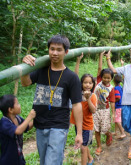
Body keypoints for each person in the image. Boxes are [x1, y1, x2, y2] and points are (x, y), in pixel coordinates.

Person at [20, 35, 83, 165]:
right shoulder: (41, 70)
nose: (54, 53)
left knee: (52, 162)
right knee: (44, 161)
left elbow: (77, 105)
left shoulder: (71, 77)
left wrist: (79, 133)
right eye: (52, 49)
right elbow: (26, 83)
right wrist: (25, 67)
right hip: (40, 125)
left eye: (59, 50)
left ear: (66, 52)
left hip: (59, 126)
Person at [70, 53, 97, 165]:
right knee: (83, 145)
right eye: (85, 82)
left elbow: (93, 110)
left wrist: (88, 99)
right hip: (78, 124)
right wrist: (78, 61)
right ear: (81, 84)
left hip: (87, 125)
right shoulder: (77, 93)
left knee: (82, 148)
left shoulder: (93, 96)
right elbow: (75, 77)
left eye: (90, 83)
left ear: (93, 84)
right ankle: (90, 159)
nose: (87, 85)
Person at [0, 94, 36, 165]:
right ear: (10, 110)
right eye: (17, 104)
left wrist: (36, 119)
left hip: (19, 158)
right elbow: (18, 131)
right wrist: (29, 117)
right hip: (8, 161)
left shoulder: (18, 118)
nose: (20, 106)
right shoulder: (4, 123)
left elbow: (27, 126)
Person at [93, 50, 115, 155]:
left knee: (105, 129)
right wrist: (101, 55)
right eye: (104, 77)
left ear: (111, 78)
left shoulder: (111, 88)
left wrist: (114, 113)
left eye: (108, 78)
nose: (106, 79)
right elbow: (99, 69)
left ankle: (108, 134)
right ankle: (99, 147)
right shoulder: (98, 82)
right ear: (101, 77)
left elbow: (112, 101)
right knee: (96, 129)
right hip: (95, 109)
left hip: (105, 110)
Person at [113, 74, 126, 139]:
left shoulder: (116, 88)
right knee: (116, 119)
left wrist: (113, 101)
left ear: (113, 81)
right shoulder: (120, 87)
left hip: (118, 106)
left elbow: (117, 97)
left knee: (117, 120)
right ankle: (116, 132)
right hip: (122, 105)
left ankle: (122, 133)